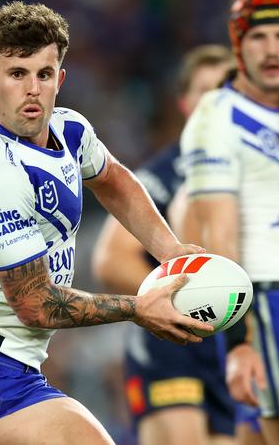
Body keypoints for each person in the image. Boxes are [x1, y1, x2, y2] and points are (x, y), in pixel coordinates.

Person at [0, 1, 214, 445]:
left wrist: (169, 251)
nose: (32, 89)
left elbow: (111, 178)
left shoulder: (70, 131)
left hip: (17, 377)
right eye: (16, 74)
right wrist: (137, 308)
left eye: (44, 74)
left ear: (60, 79)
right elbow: (35, 304)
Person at [92, 45, 237, 445]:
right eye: (204, 91)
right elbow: (110, 259)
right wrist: (180, 306)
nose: (215, 102)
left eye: (225, 89)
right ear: (184, 104)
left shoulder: (256, 172)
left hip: (231, 344)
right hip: (171, 344)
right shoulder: (164, 173)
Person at [180, 0, 279, 443]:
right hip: (267, 304)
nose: (272, 49)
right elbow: (219, 236)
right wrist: (238, 344)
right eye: (259, 36)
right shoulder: (217, 116)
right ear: (238, 44)